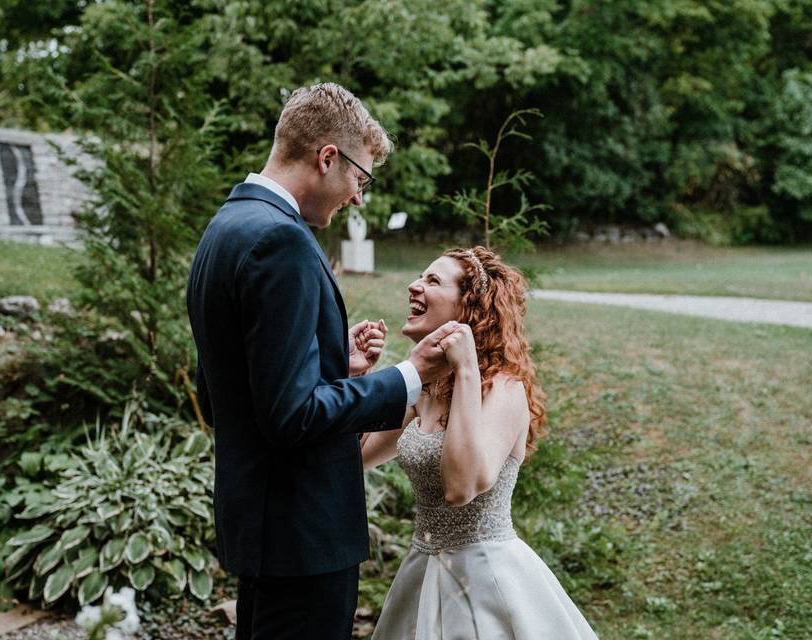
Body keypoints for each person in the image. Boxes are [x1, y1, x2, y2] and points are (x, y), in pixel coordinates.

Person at [186, 83, 455, 640]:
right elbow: (291, 417)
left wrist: (339, 368)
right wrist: (409, 376)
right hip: (302, 534)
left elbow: (222, 393)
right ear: (327, 157)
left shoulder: (226, 228)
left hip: (264, 532)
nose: (359, 197)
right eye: (361, 178)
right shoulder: (279, 242)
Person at [362, 246, 599, 639]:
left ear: (467, 307)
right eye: (420, 277)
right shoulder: (424, 389)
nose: (413, 286)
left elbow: (461, 487)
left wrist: (467, 368)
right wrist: (358, 378)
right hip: (421, 572)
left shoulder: (504, 390)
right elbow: (358, 457)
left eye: (432, 281)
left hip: (485, 581)